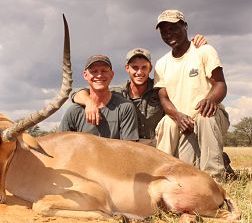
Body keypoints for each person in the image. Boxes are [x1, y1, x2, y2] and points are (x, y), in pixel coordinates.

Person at [71, 36, 206, 146]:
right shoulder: (117, 92)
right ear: (127, 68)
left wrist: (192, 47)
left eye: (144, 67)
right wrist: (89, 102)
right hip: (132, 145)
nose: (139, 72)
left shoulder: (160, 90)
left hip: (160, 144)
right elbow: (79, 93)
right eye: (135, 67)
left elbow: (184, 87)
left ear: (150, 68)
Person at [154, 9, 230, 180]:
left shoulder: (204, 50)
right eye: (164, 31)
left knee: (205, 115)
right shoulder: (161, 63)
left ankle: (215, 179)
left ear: (185, 26)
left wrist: (210, 100)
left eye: (173, 28)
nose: (169, 34)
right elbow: (163, 98)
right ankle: (161, 177)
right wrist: (178, 116)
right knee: (188, 173)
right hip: (184, 122)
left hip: (209, 117)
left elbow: (220, 84)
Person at [59, 55, 139, 141]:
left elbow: (129, 148)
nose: (99, 75)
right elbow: (60, 144)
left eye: (104, 71)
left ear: (112, 75)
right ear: (85, 75)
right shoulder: (74, 111)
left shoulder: (125, 108)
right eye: (94, 71)